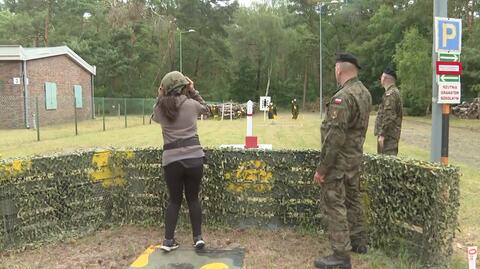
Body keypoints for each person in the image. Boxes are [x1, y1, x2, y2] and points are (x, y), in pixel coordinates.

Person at [313, 53, 372, 269]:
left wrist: (322, 168)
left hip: (339, 161)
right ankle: (359, 242)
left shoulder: (343, 97)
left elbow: (334, 137)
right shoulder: (364, 93)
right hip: (355, 158)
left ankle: (341, 254)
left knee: (334, 202)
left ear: (339, 70)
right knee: (353, 198)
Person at [152, 71, 208, 252]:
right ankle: (198, 238)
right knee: (193, 198)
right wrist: (193, 90)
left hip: (171, 161)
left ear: (165, 89)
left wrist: (160, 95)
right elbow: (205, 108)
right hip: (194, 158)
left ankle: (168, 241)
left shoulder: (160, 109)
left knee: (174, 201)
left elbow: (154, 115)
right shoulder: (191, 104)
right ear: (183, 87)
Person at [374, 66, 403, 156]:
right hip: (390, 136)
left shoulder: (390, 94)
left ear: (385, 78)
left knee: (386, 163)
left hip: (388, 137)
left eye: (381, 77)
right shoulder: (394, 92)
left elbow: (389, 115)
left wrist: (382, 134)